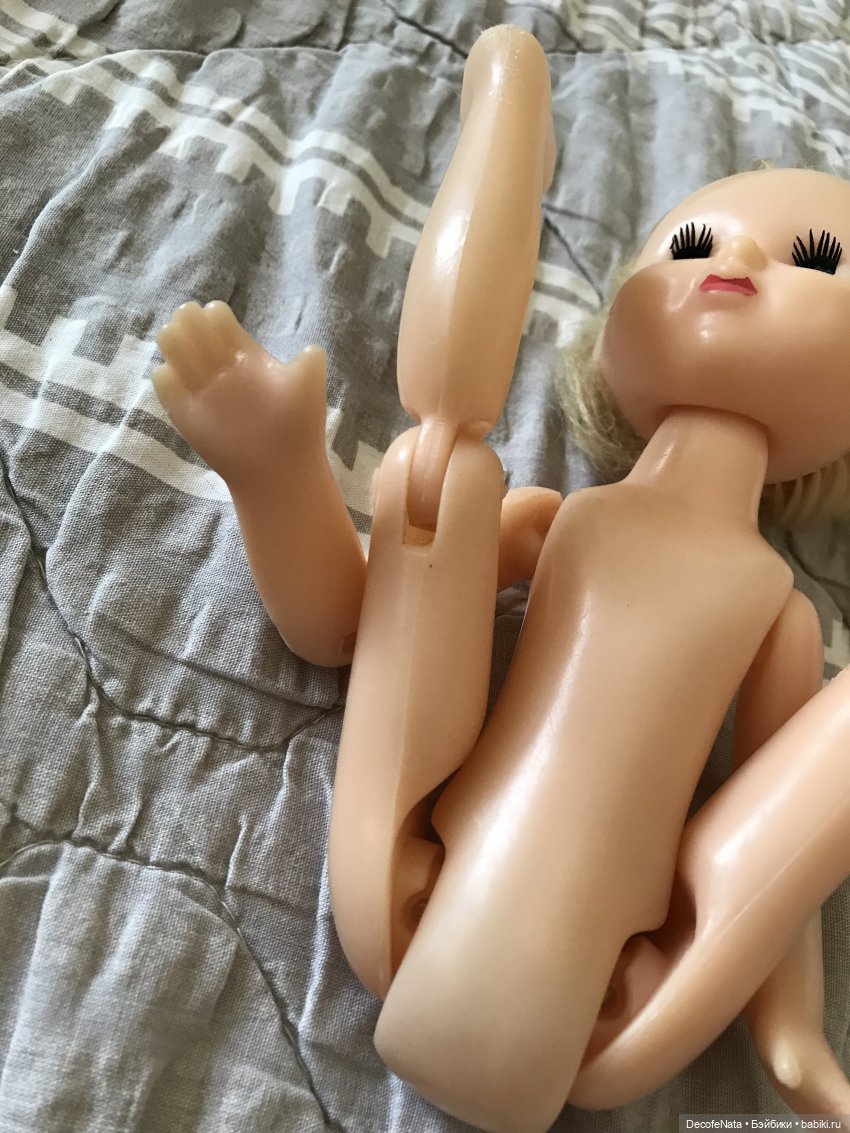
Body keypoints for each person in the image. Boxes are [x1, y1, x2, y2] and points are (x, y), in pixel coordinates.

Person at [151, 25, 850, 1133]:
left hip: (613, 991)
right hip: (417, 891)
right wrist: (275, 474)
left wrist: (790, 1031)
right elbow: (350, 625)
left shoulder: (779, 614)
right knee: (439, 471)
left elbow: (782, 839)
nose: (739, 262)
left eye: (817, 259)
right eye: (691, 242)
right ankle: (508, 109)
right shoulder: (552, 518)